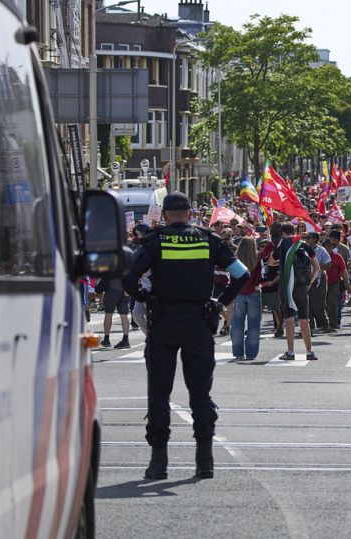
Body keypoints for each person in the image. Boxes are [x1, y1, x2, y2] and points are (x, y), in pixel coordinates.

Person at [121, 192, 249, 481]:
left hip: (163, 322)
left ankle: (158, 463)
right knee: (200, 394)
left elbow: (128, 277)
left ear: (165, 215)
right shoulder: (209, 240)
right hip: (198, 323)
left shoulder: (155, 241)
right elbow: (241, 274)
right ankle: (205, 461)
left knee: (159, 393)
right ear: (190, 214)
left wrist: (145, 296)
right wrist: (219, 301)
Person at [277, 223, 320, 361]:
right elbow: (317, 267)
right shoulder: (305, 245)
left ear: (283, 233)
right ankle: (309, 352)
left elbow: (271, 260)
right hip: (302, 286)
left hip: (287, 287)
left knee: (289, 319)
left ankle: (290, 352)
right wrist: (310, 283)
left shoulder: (282, 244)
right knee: (304, 320)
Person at [230, 237, 263, 360]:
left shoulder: (235, 258)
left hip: (239, 291)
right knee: (254, 324)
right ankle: (251, 353)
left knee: (237, 323)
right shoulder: (257, 258)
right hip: (254, 291)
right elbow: (260, 276)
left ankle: (238, 352)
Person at [305, 231, 333, 333]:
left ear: (315, 239)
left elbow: (328, 265)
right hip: (305, 279)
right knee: (306, 304)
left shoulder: (321, 250)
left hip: (318, 279)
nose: (306, 239)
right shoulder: (303, 248)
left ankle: (325, 324)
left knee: (317, 305)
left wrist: (314, 264)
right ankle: (309, 328)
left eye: (309, 237)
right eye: (306, 237)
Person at [322, 237, 350, 330]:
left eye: (330, 246)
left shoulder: (338, 256)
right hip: (322, 284)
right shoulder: (320, 256)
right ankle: (325, 323)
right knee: (322, 304)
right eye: (325, 246)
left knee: (332, 304)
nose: (328, 248)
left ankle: (333, 324)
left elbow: (343, 270)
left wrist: (347, 282)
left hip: (335, 283)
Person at [96, 277, 131, 349]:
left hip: (112, 289)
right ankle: (125, 339)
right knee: (124, 315)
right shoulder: (129, 265)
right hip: (125, 290)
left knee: (108, 314)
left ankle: (106, 339)